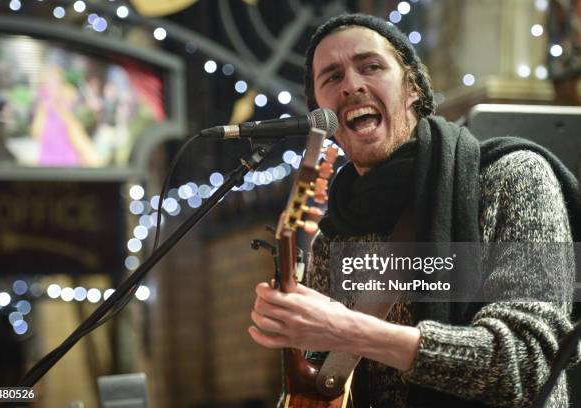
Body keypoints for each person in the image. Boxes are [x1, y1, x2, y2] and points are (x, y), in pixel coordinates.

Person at [248, 13, 581, 407]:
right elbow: (330, 382)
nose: (352, 85)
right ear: (322, 116)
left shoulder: (513, 177)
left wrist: (350, 330)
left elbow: (530, 364)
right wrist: (300, 345)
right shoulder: (333, 236)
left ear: (412, 89)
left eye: (371, 66)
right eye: (332, 77)